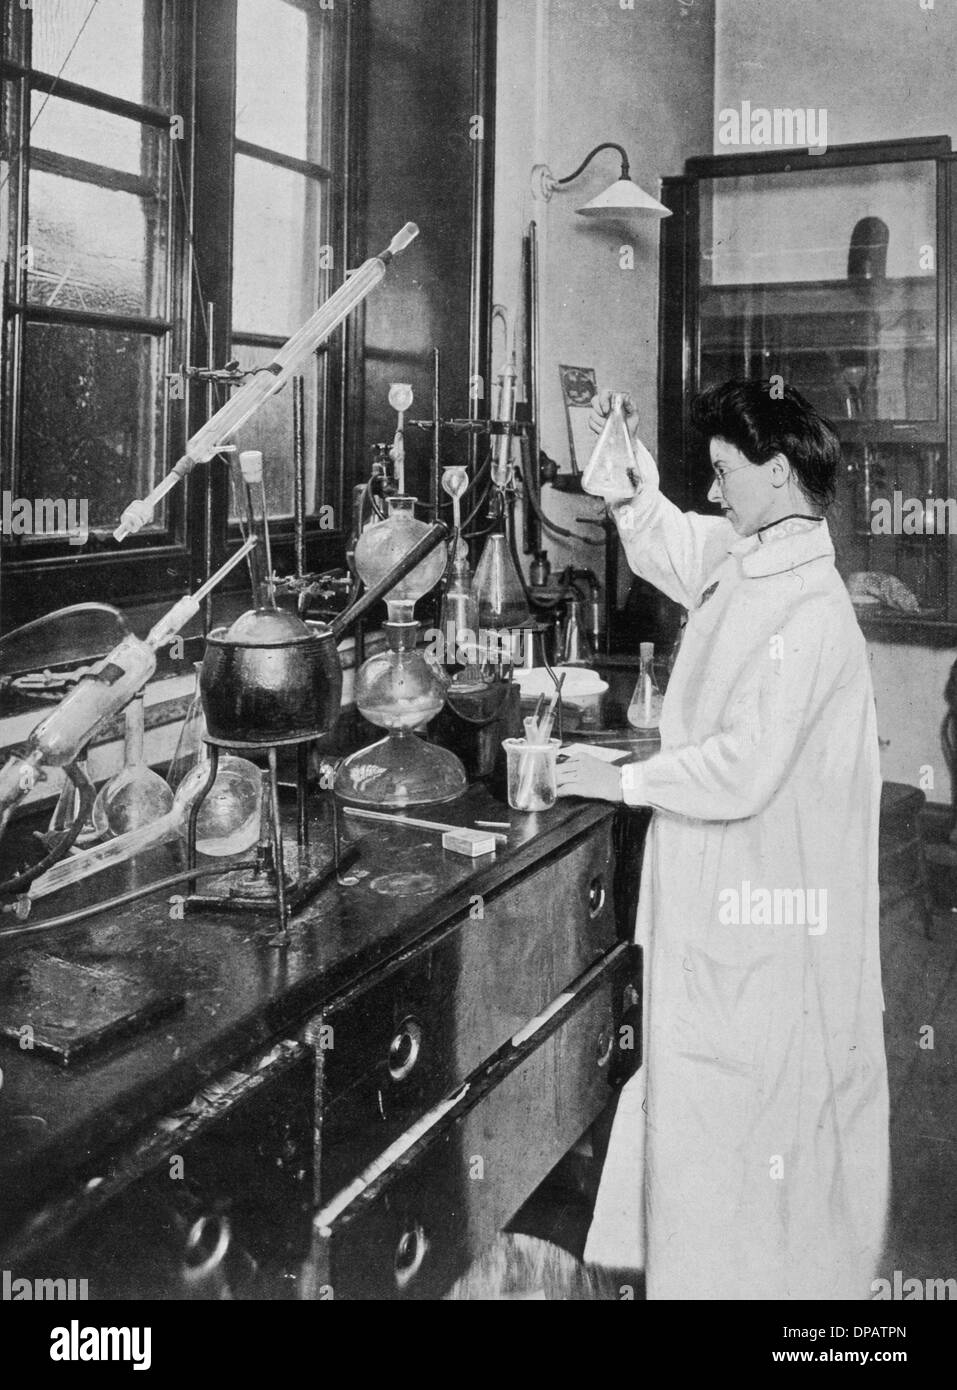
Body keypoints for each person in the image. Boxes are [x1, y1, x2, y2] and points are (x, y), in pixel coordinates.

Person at [558, 379, 889, 1300]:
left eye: (724, 474)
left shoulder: (811, 613)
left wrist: (623, 779)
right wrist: (622, 468)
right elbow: (671, 537)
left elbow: (743, 764)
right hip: (725, 892)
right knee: (714, 1101)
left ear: (777, 474)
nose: (712, 494)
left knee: (759, 1103)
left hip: (767, 905)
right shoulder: (753, 555)